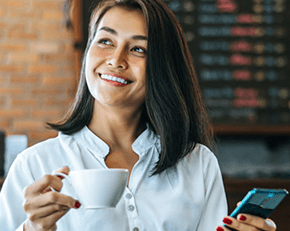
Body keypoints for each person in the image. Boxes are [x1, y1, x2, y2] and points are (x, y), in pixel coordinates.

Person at [0, 0, 277, 230]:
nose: (116, 59)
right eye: (106, 41)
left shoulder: (198, 164)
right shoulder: (34, 166)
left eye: (138, 49)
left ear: (162, 67)